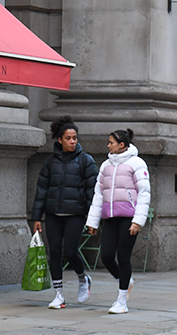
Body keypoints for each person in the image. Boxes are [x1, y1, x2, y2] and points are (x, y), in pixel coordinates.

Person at [31, 117, 98, 309]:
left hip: (75, 214)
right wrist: (37, 217)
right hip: (53, 214)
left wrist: (93, 219)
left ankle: (83, 279)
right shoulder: (50, 162)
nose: (72, 141)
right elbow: (42, 189)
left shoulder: (86, 161)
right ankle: (58, 294)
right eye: (68, 138)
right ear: (59, 140)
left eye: (75, 138)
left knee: (70, 251)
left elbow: (92, 192)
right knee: (54, 253)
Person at [85, 128, 150, 314]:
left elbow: (144, 193)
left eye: (111, 142)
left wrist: (138, 221)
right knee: (105, 256)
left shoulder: (137, 163)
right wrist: (93, 221)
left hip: (129, 218)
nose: (108, 145)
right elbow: (99, 194)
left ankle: (122, 301)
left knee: (123, 256)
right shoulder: (105, 165)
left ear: (122, 144)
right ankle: (126, 280)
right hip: (110, 218)